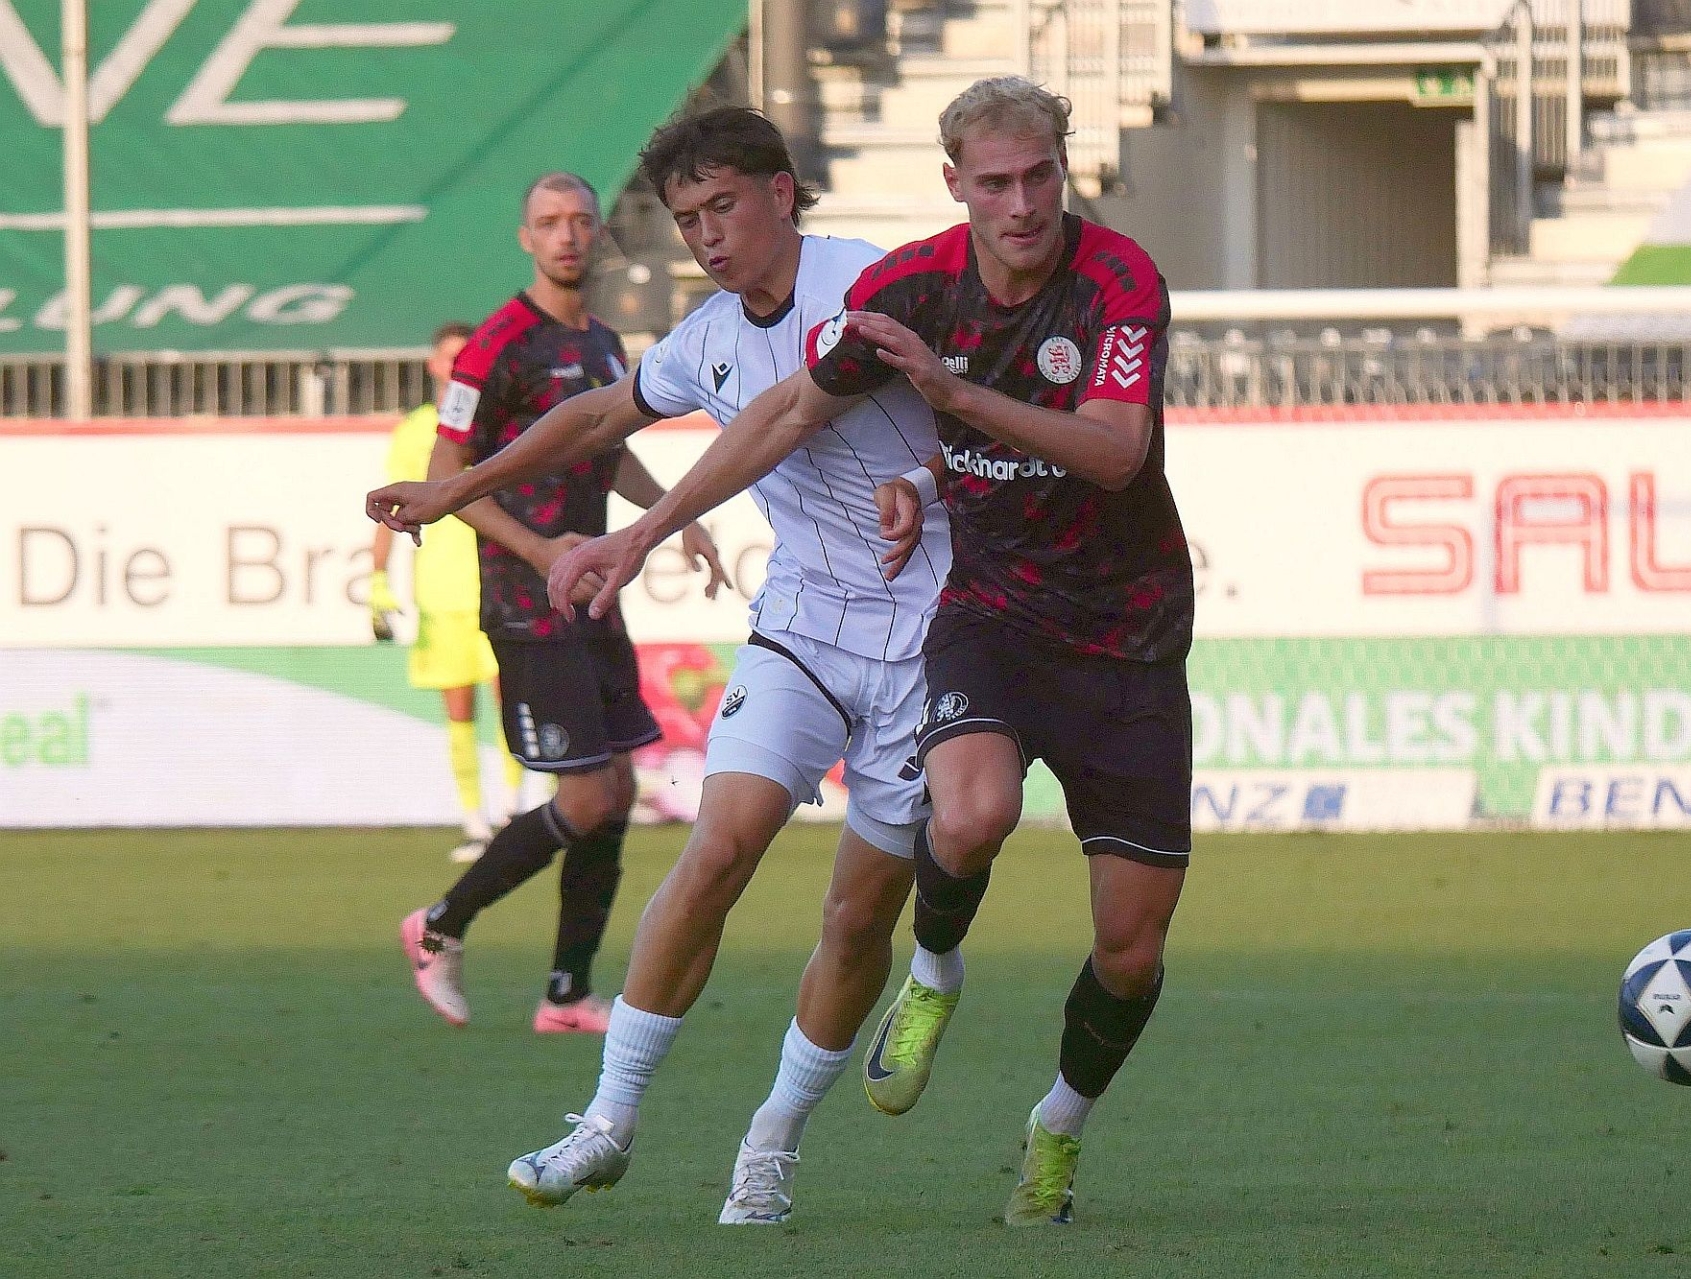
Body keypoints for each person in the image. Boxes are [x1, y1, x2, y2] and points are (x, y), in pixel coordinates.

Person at [546, 77, 1193, 1227]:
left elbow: (1111, 454)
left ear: (1063, 169)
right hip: (976, 612)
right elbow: (788, 412)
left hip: (1121, 631)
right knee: (952, 817)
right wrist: (638, 530)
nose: (1021, 201)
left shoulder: (1116, 279)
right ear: (955, 186)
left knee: (1128, 949)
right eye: (994, 181)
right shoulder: (910, 287)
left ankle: (1052, 1124)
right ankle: (914, 978)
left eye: (1039, 175)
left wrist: (944, 412)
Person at [367, 109, 951, 1222]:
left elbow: (826, 421)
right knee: (718, 844)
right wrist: (453, 488)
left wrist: (919, 486)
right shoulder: (708, 334)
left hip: (933, 639)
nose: (707, 235)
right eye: (686, 219)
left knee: (855, 918)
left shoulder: (871, 286)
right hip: (804, 627)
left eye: (723, 205)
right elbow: (599, 416)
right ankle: (606, 1121)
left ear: (783, 193)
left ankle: (770, 1145)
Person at [373, 171, 728, 1036]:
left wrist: (676, 516)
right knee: (586, 796)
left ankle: (566, 993)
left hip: (591, 598)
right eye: (549, 222)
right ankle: (440, 923)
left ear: (600, 233)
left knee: (615, 785)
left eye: (580, 220)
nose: (567, 234)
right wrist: (539, 549)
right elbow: (449, 475)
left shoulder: (603, 344)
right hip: (527, 603)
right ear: (525, 238)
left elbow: (608, 446)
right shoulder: (495, 345)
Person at [368, 320, 536, 863]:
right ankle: (474, 820)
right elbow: (389, 506)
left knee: (511, 702)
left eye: (466, 355)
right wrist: (377, 580)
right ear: (433, 364)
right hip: (440, 592)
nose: (456, 364)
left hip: (497, 581)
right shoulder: (415, 429)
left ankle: (513, 812)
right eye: (449, 356)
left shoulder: (498, 421)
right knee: (459, 712)